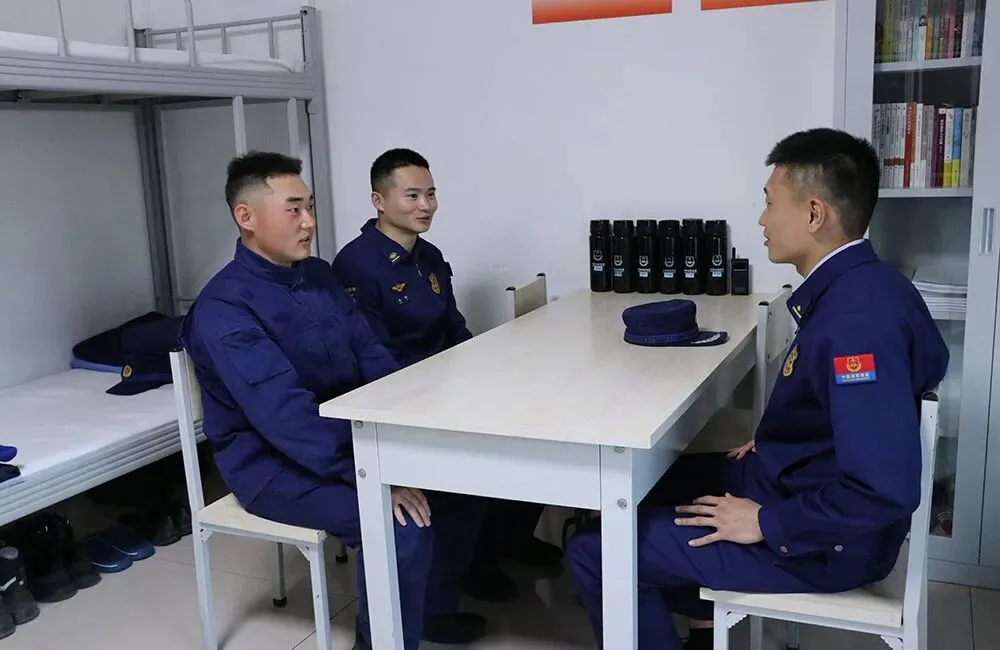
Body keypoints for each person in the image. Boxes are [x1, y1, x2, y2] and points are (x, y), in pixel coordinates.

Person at [565, 128, 950, 650]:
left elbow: (883, 488)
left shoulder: (856, 325)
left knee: (595, 551)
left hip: (824, 541)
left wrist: (768, 523)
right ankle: (698, 621)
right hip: (800, 481)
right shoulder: (873, 284)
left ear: (814, 214)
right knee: (639, 485)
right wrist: (793, 439)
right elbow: (873, 402)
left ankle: (671, 594)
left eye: (770, 204)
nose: (762, 221)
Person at [179, 151, 488, 650]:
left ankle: (429, 612)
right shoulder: (225, 309)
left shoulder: (318, 276)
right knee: (398, 525)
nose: (310, 222)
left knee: (462, 480)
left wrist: (407, 432)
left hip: (344, 438)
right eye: (294, 210)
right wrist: (372, 471)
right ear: (246, 217)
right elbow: (286, 417)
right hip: (272, 463)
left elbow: (372, 357)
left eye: (311, 207)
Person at [332, 148, 564, 602]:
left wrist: (484, 370)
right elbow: (373, 357)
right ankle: (458, 579)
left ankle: (503, 544)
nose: (426, 206)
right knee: (479, 466)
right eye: (412, 195)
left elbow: (454, 327)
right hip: (401, 398)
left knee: (536, 429)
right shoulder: (356, 265)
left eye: (432, 194)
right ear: (379, 201)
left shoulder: (429, 256)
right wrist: (446, 392)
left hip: (446, 385)